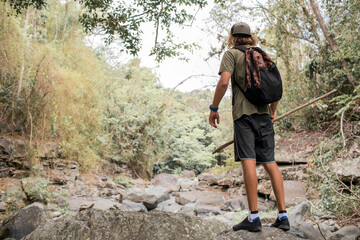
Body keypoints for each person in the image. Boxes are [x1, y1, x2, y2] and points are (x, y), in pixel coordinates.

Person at [209, 22, 290, 232]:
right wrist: (272, 112)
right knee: (270, 162)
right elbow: (275, 87)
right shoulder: (262, 54)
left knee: (248, 161)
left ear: (232, 37)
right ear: (250, 37)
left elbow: (223, 82)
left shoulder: (231, 54)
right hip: (264, 116)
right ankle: (283, 215)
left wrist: (214, 107)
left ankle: (254, 217)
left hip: (244, 116)